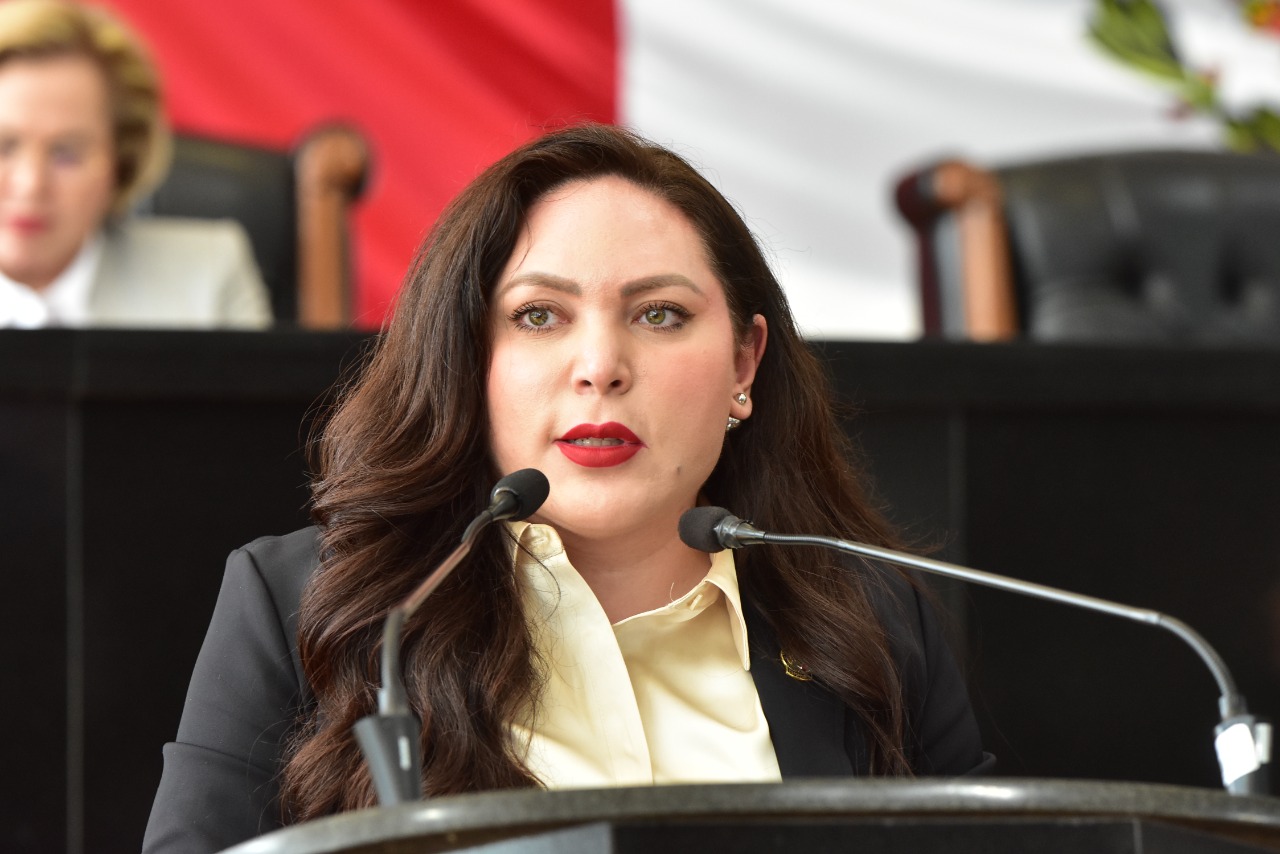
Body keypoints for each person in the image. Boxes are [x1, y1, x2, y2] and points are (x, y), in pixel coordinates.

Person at [143, 123, 989, 852]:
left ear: (744, 364)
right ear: (468, 359)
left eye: (659, 314)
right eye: (539, 315)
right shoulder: (313, 610)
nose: (600, 367)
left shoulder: (875, 623)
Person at [0, 0, 270, 328]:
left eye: (67, 153)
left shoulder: (208, 278)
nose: (31, 185)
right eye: (4, 146)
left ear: (120, 163)